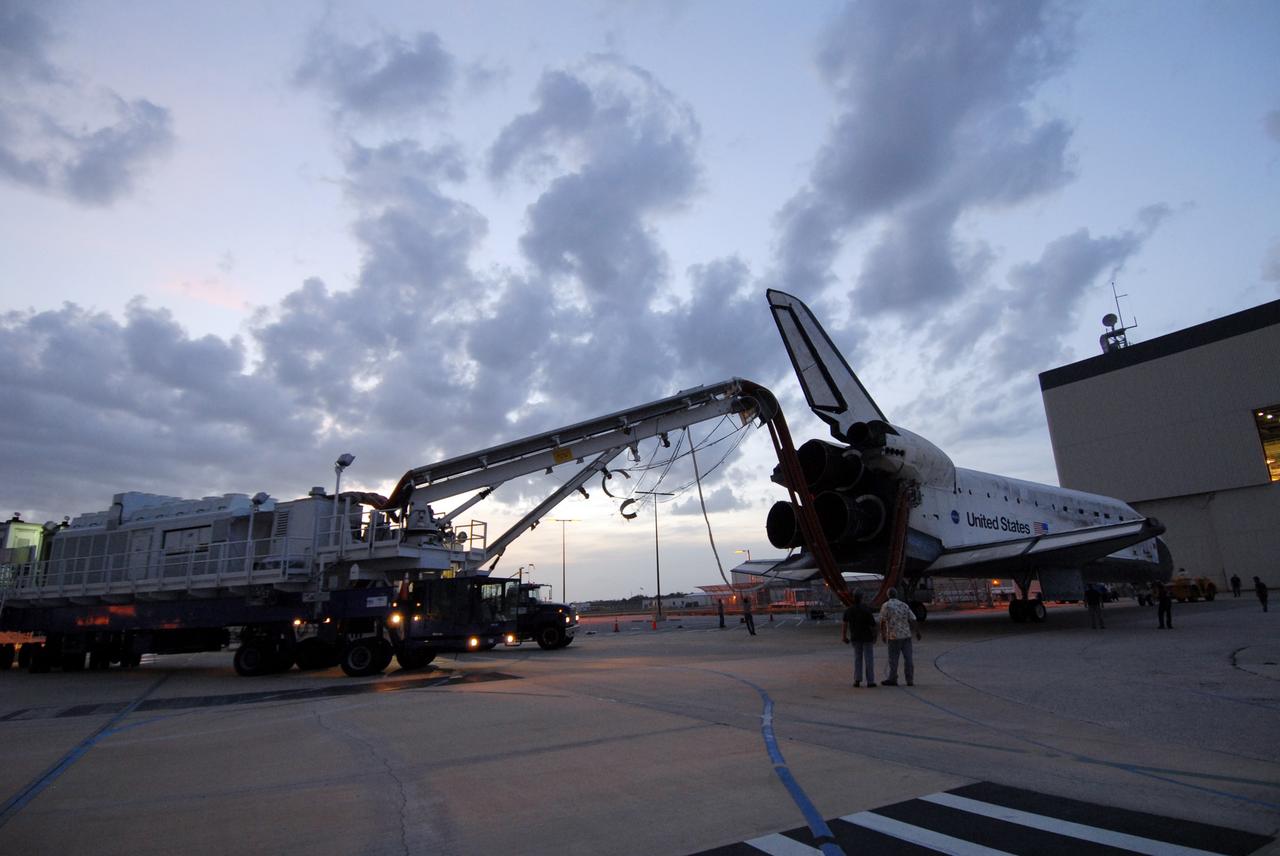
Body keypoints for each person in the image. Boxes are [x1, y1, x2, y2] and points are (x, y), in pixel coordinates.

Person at [878, 588, 920, 686]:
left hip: (894, 636)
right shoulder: (904, 605)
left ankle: (893, 678)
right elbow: (913, 619)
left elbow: (883, 621)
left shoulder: (886, 605)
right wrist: (917, 632)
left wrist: (883, 634)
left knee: (893, 659)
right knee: (908, 658)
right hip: (906, 635)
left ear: (888, 595)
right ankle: (909, 679)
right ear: (896, 595)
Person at [841, 592, 877, 688]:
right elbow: (873, 625)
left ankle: (857, 680)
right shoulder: (866, 610)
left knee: (858, 658)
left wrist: (844, 636)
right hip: (867, 637)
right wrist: (875, 636)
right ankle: (870, 681)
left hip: (855, 637)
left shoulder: (849, 610)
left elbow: (845, 624)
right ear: (861, 598)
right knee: (869, 659)